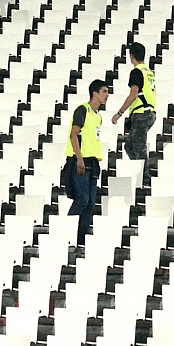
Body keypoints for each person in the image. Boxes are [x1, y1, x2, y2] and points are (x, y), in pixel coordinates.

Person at [65, 80, 109, 246]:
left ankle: (80, 239)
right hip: (81, 160)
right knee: (82, 199)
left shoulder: (98, 116)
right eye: (104, 91)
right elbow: (74, 134)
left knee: (90, 204)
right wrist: (79, 158)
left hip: (93, 162)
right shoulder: (82, 110)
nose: (107, 95)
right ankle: (66, 232)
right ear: (95, 93)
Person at [110, 43, 156, 188]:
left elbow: (133, 94)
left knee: (139, 146)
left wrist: (119, 113)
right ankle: (138, 171)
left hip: (142, 113)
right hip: (148, 112)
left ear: (131, 56)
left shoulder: (137, 72)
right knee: (129, 145)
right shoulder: (148, 71)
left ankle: (144, 179)